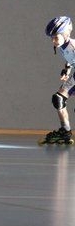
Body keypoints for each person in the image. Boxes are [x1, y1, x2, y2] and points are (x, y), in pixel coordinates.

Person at [41, 16, 75, 144]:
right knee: (58, 99)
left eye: (55, 37)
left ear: (66, 34)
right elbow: (70, 60)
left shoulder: (73, 46)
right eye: (51, 38)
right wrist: (66, 70)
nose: (53, 41)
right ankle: (65, 132)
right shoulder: (62, 47)